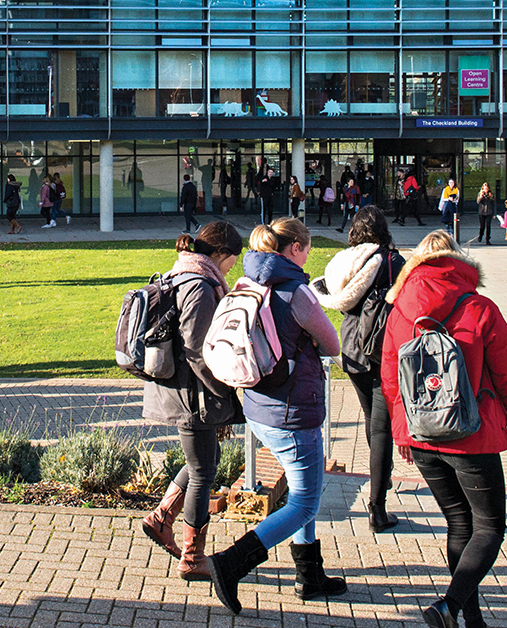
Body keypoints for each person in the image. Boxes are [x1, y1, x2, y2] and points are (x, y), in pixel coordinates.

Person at [381, 230, 507, 628]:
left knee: (459, 523)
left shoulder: (400, 312)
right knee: (489, 528)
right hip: (472, 436)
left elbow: (391, 380)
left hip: (422, 436)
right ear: (459, 262)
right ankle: (449, 606)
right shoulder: (479, 308)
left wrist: (402, 432)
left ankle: (471, 618)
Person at [208, 218, 346, 615]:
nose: (308, 257)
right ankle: (231, 563)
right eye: (307, 250)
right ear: (295, 249)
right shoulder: (296, 292)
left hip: (257, 406)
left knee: (305, 492)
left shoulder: (248, 281)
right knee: (304, 503)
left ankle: (309, 575)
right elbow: (332, 344)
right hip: (292, 411)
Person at [140, 222, 244, 581]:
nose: (231, 269)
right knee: (202, 471)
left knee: (205, 460)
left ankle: (161, 519)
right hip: (192, 394)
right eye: (232, 261)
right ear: (220, 254)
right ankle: (192, 557)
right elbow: (199, 350)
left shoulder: (181, 273)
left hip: (179, 388)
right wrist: (224, 389)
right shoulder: (199, 285)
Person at [311, 206, 404, 531]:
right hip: (382, 348)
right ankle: (378, 506)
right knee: (381, 427)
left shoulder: (344, 262)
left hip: (351, 348)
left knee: (371, 417)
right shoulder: (391, 262)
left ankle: (382, 477)